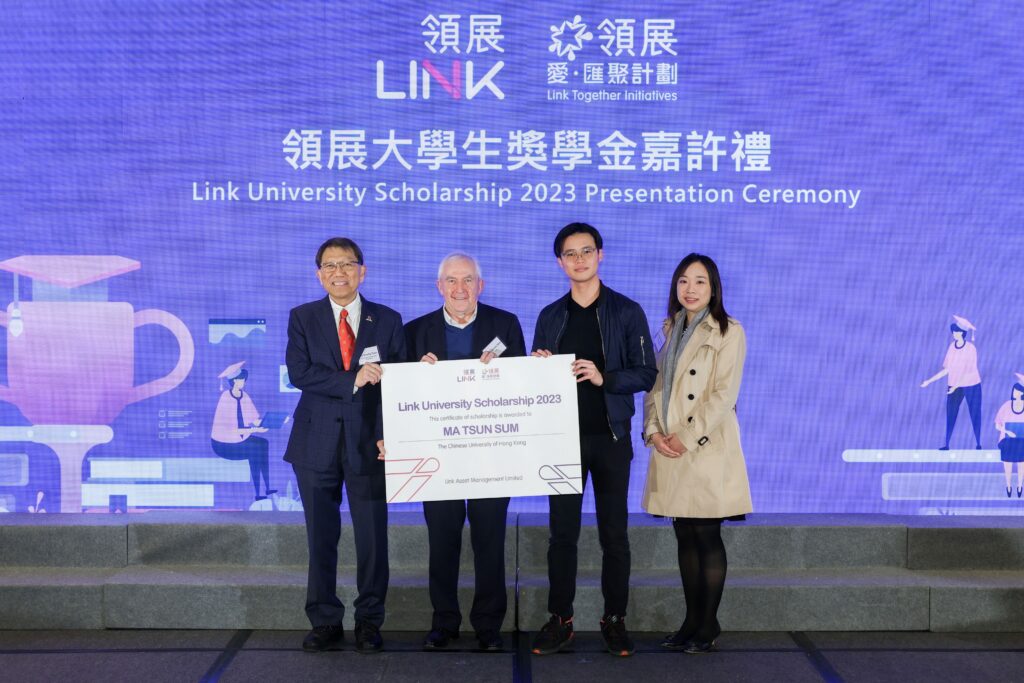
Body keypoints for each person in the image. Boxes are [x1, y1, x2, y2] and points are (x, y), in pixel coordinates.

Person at [529, 223, 657, 658]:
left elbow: (646, 372)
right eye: (570, 254)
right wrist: (538, 367)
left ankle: (614, 619)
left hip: (610, 437)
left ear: (600, 255)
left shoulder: (626, 311)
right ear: (560, 262)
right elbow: (536, 381)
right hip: (561, 440)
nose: (579, 259)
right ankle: (559, 619)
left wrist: (606, 378)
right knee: (561, 535)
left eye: (587, 251)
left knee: (614, 534)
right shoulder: (550, 315)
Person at [284, 237, 406, 653]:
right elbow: (300, 373)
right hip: (315, 443)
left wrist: (395, 433)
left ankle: (370, 621)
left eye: (347, 264)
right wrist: (352, 379)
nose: (339, 272)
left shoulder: (387, 320)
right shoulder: (302, 317)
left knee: (373, 538)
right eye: (330, 266)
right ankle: (324, 620)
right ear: (319, 274)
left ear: (362, 271)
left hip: (370, 442)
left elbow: (399, 384)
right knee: (321, 537)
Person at [404, 252, 526, 653]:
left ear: (481, 285)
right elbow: (399, 396)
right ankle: (445, 622)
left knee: (490, 541)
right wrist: (416, 378)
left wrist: (517, 371)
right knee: (443, 542)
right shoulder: (414, 332)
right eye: (452, 281)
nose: (460, 289)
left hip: (491, 454)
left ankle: (489, 625)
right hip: (438, 459)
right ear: (439, 287)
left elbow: (523, 388)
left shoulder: (504, 325)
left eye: (468, 280)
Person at [643, 253, 752, 654]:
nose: (690, 289)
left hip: (704, 448)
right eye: (684, 281)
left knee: (707, 535)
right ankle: (691, 621)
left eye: (700, 281)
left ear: (714, 287)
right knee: (684, 536)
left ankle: (707, 625)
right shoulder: (669, 328)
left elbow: (725, 396)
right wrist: (653, 432)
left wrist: (685, 437)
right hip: (669, 447)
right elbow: (655, 388)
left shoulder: (728, 330)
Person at [210, 361, 276, 500]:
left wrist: (268, 424)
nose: (243, 382)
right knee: (255, 450)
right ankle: (258, 493)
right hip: (223, 443)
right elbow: (229, 429)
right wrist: (253, 429)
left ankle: (268, 487)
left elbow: (255, 418)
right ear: (233, 381)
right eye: (240, 380)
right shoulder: (225, 398)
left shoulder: (244, 396)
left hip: (240, 438)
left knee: (263, 444)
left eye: (243, 380)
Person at [921, 317, 983, 450]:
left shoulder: (971, 348)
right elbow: (947, 369)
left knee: (975, 413)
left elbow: (968, 371)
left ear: (962, 333)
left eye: (956, 331)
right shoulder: (951, 347)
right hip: (954, 385)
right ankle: (947, 444)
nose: (953, 333)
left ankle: (978, 444)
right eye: (953, 331)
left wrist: (955, 387)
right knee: (951, 413)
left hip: (972, 385)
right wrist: (929, 381)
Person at [994, 376, 1024, 497]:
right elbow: (997, 425)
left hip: (1022, 441)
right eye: (1014, 395)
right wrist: (1006, 431)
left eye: (1019, 395)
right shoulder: (1006, 406)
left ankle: (1020, 485)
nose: (1016, 398)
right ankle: (1008, 485)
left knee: (1022, 465)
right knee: (1008, 465)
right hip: (1007, 440)